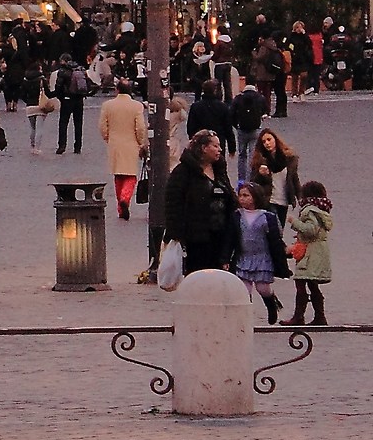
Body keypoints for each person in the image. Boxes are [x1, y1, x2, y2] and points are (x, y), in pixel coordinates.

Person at [161, 131, 238, 275]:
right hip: (196, 238)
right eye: (215, 146)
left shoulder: (219, 169)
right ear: (203, 148)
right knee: (199, 277)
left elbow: (229, 194)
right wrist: (176, 234)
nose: (220, 150)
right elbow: (173, 204)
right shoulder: (183, 172)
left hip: (221, 236)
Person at [232, 181, 288, 325]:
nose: (242, 198)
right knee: (244, 290)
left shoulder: (267, 216)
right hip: (244, 257)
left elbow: (275, 239)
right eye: (240, 195)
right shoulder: (237, 216)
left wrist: (281, 258)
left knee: (263, 287)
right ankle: (245, 317)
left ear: (256, 197)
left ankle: (271, 305)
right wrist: (226, 258)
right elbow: (230, 238)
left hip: (262, 257)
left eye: (246, 195)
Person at [99, 83, 148, 221]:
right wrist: (140, 142)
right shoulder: (136, 106)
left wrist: (108, 138)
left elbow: (102, 126)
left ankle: (120, 209)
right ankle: (125, 199)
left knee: (118, 176)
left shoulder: (108, 105)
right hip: (131, 143)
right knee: (131, 175)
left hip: (114, 143)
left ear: (117, 90)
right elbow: (140, 127)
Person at [286, 181, 333, 325]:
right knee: (312, 284)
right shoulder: (321, 210)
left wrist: (294, 222)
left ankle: (298, 316)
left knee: (301, 283)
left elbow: (311, 230)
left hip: (311, 254)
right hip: (318, 252)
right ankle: (320, 316)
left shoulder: (309, 211)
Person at [53, 55, 89, 155]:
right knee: (78, 124)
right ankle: (78, 147)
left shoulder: (63, 71)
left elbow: (58, 87)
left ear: (64, 61)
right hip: (79, 99)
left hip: (67, 99)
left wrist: (61, 97)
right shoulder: (80, 69)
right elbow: (88, 84)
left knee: (63, 123)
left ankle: (62, 146)